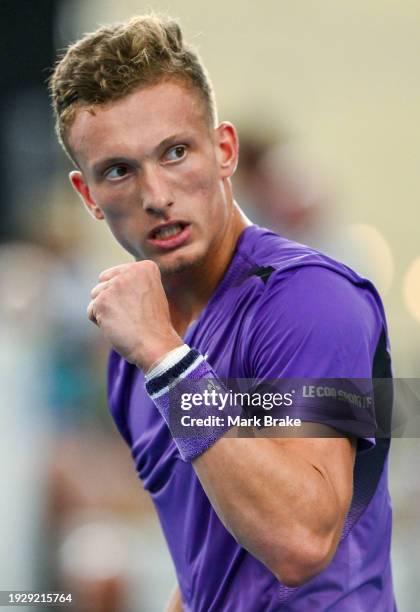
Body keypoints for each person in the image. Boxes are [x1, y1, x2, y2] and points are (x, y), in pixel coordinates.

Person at [49, 15, 396, 611]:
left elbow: (299, 542)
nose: (156, 196)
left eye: (176, 152)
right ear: (89, 197)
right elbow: (210, 559)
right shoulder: (135, 353)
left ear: (224, 150)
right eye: (119, 171)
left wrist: (167, 362)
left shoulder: (312, 298)